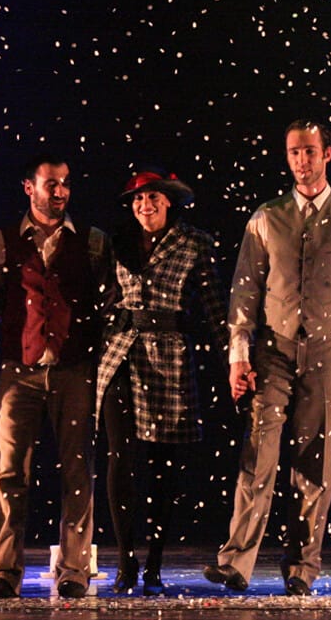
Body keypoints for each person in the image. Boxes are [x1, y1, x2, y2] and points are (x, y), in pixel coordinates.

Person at [204, 120, 331, 596]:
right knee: (259, 453)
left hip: (328, 348)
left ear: (327, 155)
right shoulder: (266, 217)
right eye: (295, 152)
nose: (302, 160)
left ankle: (301, 567)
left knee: (315, 462)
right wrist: (239, 355)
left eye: (310, 151)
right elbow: (245, 290)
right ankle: (236, 561)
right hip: (274, 348)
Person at [0, 153, 114, 599]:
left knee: (78, 469)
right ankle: (4, 569)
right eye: (51, 184)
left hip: (74, 369)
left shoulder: (91, 241)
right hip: (20, 371)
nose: (60, 192)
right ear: (29, 187)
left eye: (65, 184)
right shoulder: (4, 241)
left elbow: (106, 301)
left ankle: (74, 568)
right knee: (9, 472)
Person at [96, 169, 230, 595]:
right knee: (120, 457)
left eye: (152, 197)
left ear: (169, 200)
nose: (144, 205)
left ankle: (154, 562)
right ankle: (125, 560)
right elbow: (104, 297)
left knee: (161, 465)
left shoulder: (194, 242)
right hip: (121, 353)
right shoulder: (118, 241)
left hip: (168, 356)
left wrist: (235, 357)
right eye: (137, 199)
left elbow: (215, 306)